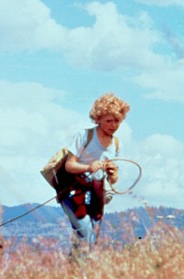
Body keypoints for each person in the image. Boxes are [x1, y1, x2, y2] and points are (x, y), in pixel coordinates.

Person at [52, 93, 129, 252]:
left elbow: (113, 180)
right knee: (85, 233)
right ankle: (80, 266)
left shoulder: (116, 144)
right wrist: (88, 167)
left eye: (117, 121)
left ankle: (75, 266)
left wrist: (113, 173)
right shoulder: (84, 136)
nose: (113, 125)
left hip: (96, 194)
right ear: (98, 118)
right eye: (109, 121)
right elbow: (69, 165)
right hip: (72, 191)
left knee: (91, 237)